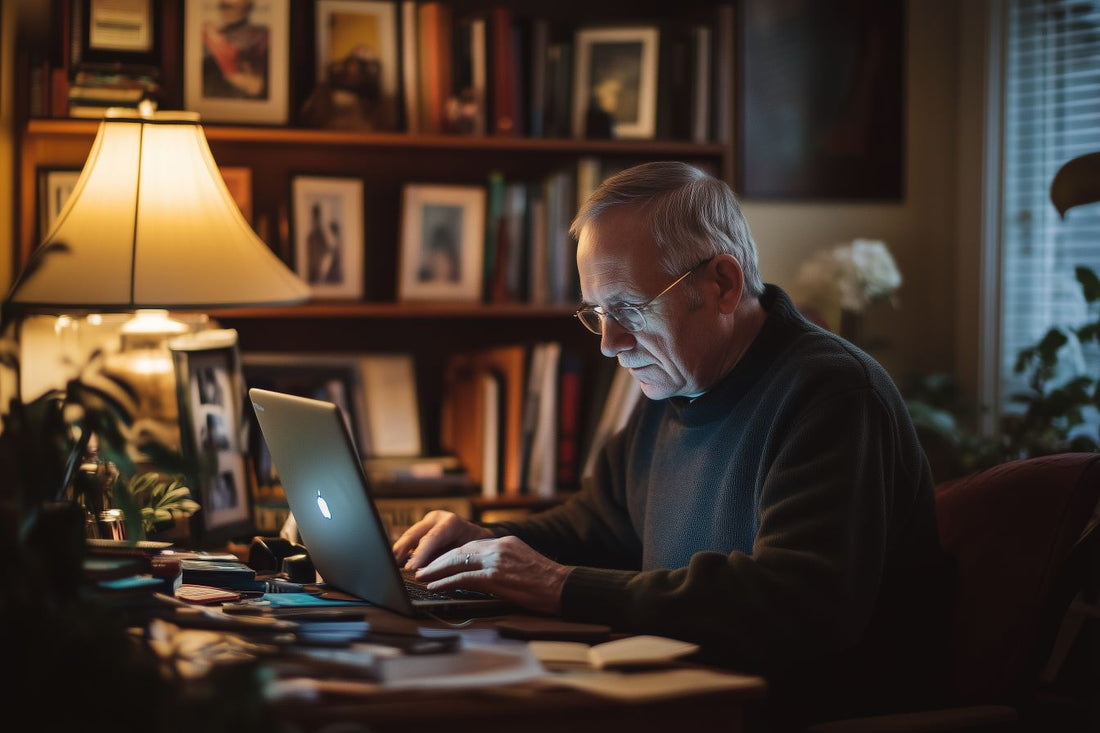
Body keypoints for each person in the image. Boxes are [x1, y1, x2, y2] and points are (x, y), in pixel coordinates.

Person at [393, 162, 951, 727]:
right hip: (681, 701)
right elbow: (596, 528)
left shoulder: (832, 394)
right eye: (598, 313)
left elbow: (794, 604)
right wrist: (481, 544)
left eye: (630, 308)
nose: (610, 343)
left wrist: (556, 585)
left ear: (722, 286)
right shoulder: (676, 387)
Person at [201, 0, 269, 100]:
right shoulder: (211, 32)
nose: (228, 11)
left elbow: (256, 86)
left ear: (248, 6)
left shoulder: (260, 35)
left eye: (230, 6)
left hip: (245, 98)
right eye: (224, 6)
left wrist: (218, 46)